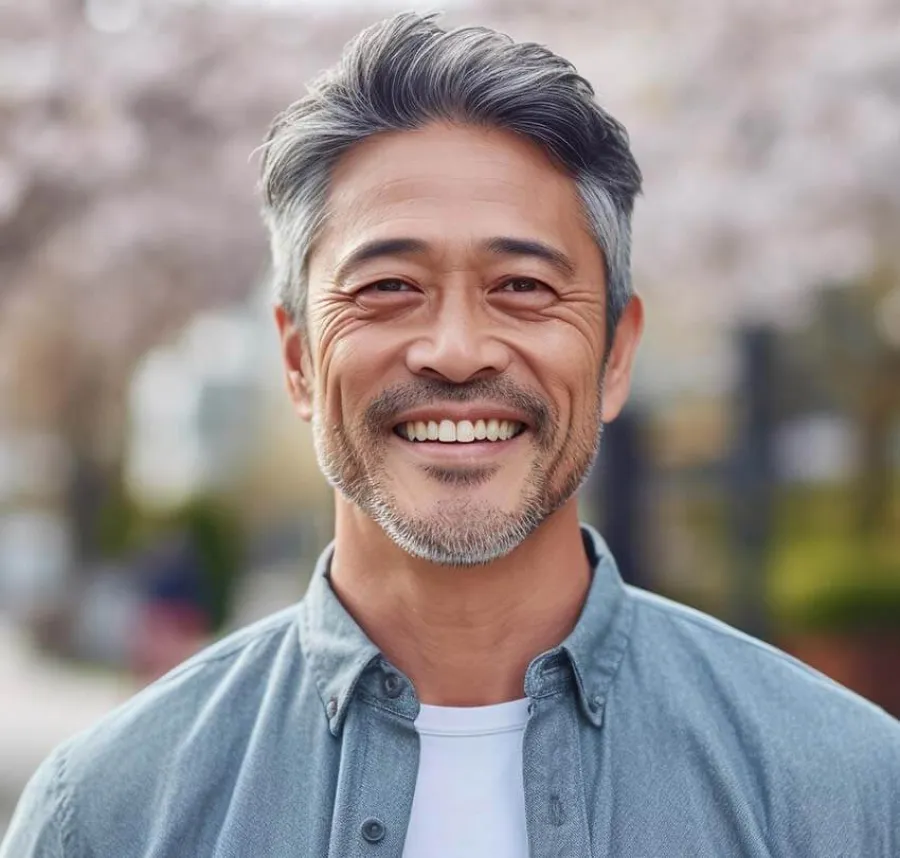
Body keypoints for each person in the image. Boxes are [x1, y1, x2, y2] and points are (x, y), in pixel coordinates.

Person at [3, 12, 898, 858]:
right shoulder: (110, 811)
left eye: (524, 286)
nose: (458, 351)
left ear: (616, 356)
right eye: (389, 287)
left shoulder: (847, 792)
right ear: (298, 360)